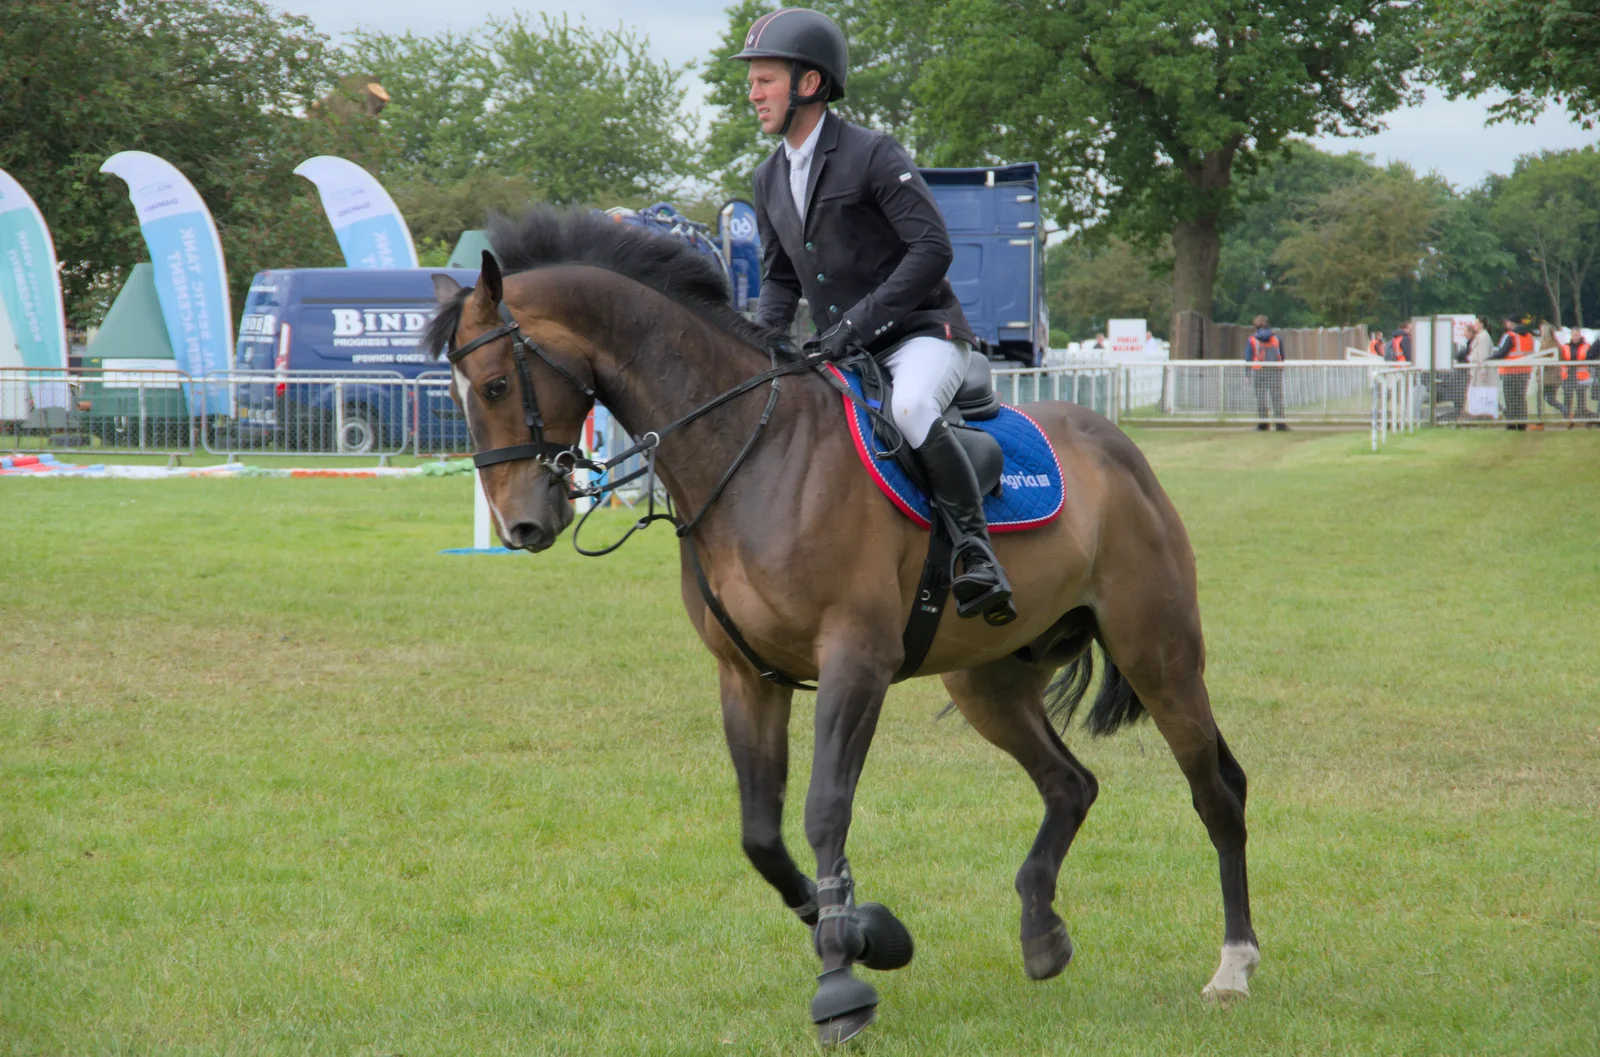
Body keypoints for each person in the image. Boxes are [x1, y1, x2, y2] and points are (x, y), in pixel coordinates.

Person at [733, 7, 1014, 625]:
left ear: (808, 84)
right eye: (751, 81)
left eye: (764, 80)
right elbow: (779, 279)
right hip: (841, 349)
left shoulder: (872, 154)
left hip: (921, 335)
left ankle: (976, 552)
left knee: (911, 409)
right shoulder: (767, 178)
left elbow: (932, 249)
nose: (751, 93)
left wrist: (856, 326)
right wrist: (759, 345)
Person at [1489, 317, 1534, 430]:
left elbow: (1501, 353)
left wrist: (1487, 360)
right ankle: (1522, 422)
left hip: (1509, 371)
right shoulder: (1530, 336)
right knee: (1521, 398)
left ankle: (1512, 423)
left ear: (1511, 323)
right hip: (1525, 371)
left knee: (1510, 398)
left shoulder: (1510, 336)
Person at [1245, 314, 1287, 431]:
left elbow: (1248, 357)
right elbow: (1282, 355)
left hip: (1259, 371)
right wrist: (1281, 368)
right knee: (1277, 397)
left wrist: (1247, 373)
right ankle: (1280, 424)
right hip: (1274, 370)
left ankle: (1263, 424)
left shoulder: (1252, 339)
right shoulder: (1277, 338)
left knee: (1261, 398)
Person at [1559, 327, 1593, 423]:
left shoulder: (1587, 346)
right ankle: (1567, 418)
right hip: (1568, 376)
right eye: (1574, 335)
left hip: (1582, 377)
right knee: (1567, 398)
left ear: (1580, 335)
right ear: (1571, 335)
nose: (1576, 337)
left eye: (1577, 335)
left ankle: (1581, 417)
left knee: (1581, 399)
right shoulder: (1565, 347)